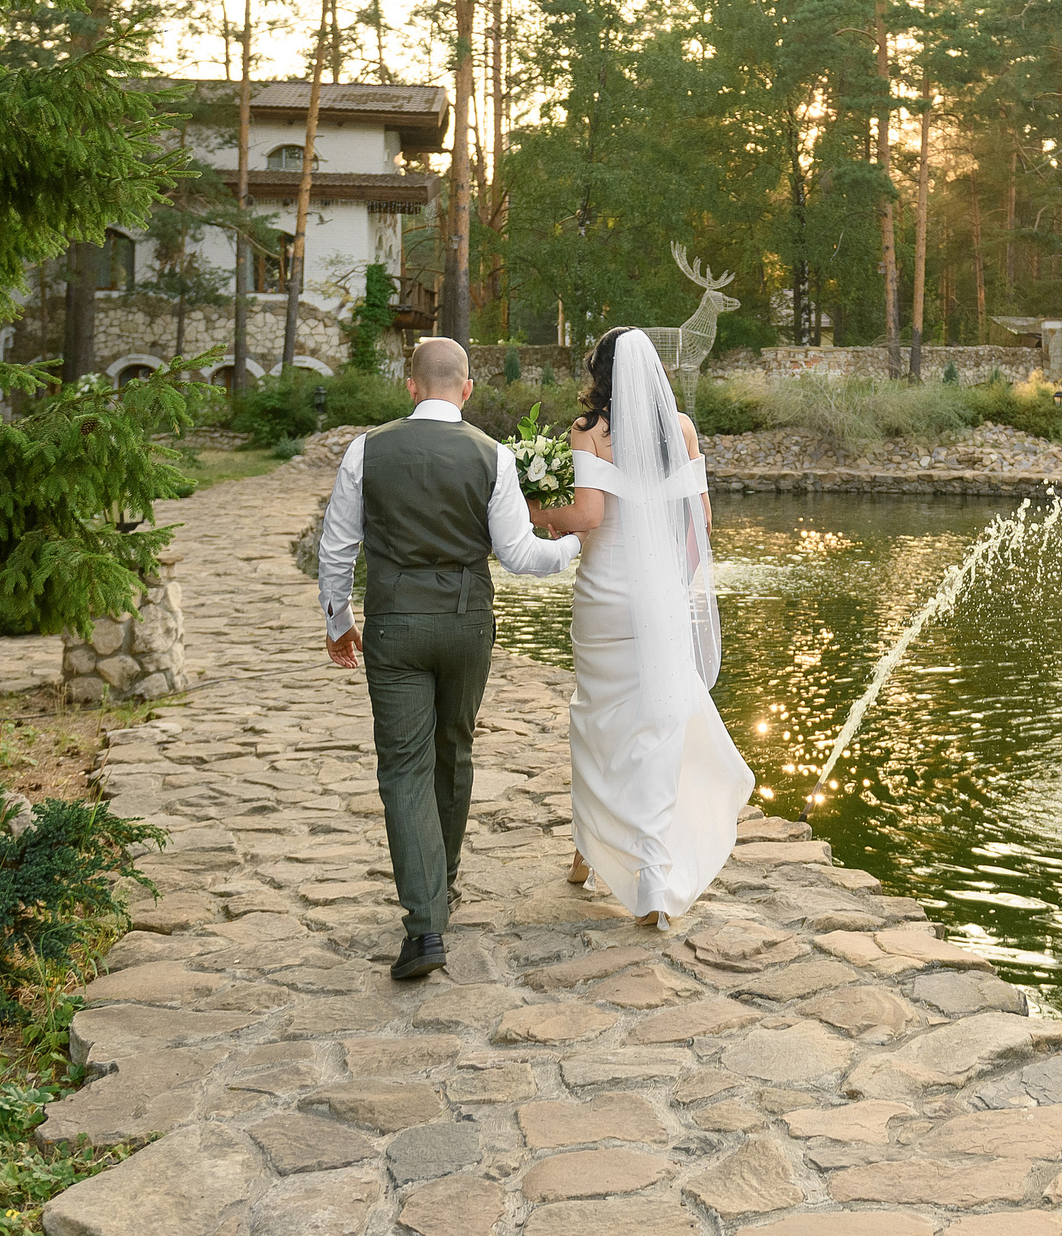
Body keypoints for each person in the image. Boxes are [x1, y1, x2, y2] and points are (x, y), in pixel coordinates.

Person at [316, 336, 580, 980]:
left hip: (396, 625)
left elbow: (337, 549)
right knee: (454, 750)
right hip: (467, 624)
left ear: (410, 387)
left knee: (404, 768)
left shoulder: (365, 449)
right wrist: (575, 543)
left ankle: (425, 926)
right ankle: (445, 883)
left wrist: (339, 621)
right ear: (467, 389)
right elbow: (520, 557)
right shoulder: (492, 455)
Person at [529, 328, 754, 927]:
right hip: (660, 599)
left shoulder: (589, 433)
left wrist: (528, 508)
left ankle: (585, 851)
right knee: (654, 728)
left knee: (596, 721)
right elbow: (698, 518)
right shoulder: (681, 429)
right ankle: (651, 880)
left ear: (600, 373)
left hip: (605, 598)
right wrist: (676, 588)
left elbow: (588, 516)